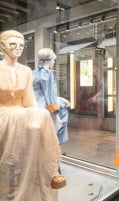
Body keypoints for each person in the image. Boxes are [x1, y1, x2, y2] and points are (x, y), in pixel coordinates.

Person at [0, 30, 66, 201]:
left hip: (21, 111)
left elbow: (30, 100)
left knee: (42, 116)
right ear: (2, 46)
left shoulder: (27, 71)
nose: (17, 48)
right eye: (12, 44)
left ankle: (50, 171)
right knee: (42, 116)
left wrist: (35, 117)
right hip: (2, 113)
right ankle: (53, 172)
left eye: (21, 45)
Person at [32, 48, 69, 144]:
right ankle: (56, 146)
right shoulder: (47, 74)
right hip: (45, 106)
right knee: (62, 117)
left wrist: (60, 99)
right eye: (53, 60)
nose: (54, 62)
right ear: (49, 60)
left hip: (35, 105)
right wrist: (54, 109)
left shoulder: (35, 72)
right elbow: (49, 93)